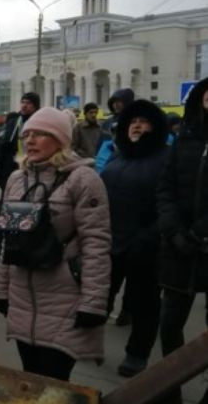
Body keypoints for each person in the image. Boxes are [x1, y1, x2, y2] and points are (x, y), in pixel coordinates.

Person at [0, 106, 111, 381]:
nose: (30, 140)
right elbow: (8, 242)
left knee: (55, 384)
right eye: (27, 134)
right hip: (23, 298)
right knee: (31, 380)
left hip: (65, 298)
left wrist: (93, 304)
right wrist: (2, 291)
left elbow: (96, 243)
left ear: (61, 140)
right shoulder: (16, 178)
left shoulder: (83, 179)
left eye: (40, 134)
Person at [100, 99, 169, 378]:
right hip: (110, 241)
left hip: (146, 247)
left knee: (144, 304)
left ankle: (137, 355)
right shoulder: (119, 156)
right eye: (132, 121)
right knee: (99, 297)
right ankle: (87, 344)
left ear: (156, 127)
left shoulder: (167, 158)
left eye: (144, 121)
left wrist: (149, 237)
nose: (136, 126)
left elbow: (171, 205)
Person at [156, 76, 208, 404]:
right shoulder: (184, 139)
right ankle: (168, 389)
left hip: (203, 241)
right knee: (170, 321)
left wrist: (200, 231)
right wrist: (174, 230)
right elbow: (165, 187)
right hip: (179, 247)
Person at [0, 92, 40, 260]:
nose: (24, 105)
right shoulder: (15, 121)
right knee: (7, 208)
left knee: (29, 210)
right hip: (13, 172)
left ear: (35, 106)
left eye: (28, 103)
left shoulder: (38, 122)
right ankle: (0, 245)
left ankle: (23, 245)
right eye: (22, 102)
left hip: (32, 171)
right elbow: (6, 144)